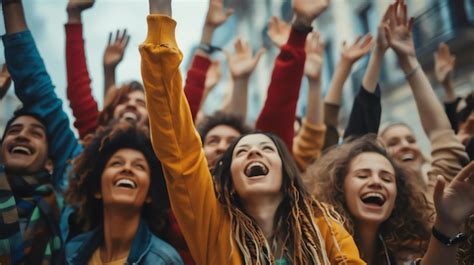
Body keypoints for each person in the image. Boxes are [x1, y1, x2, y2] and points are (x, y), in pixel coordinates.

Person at [140, 0, 365, 263]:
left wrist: (300, 30)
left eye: (266, 149)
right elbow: (176, 140)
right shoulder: (212, 226)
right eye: (241, 152)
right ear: (229, 181)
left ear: (287, 171)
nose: (253, 153)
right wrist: (160, 12)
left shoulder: (324, 228)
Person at [308, 135, 474, 265]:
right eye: (363, 175)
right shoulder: (316, 248)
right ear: (339, 189)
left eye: (387, 179)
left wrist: (447, 222)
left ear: (397, 200)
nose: (376, 182)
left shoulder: (407, 252)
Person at [0, 0, 82, 263]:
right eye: (13, 131)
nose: (22, 135)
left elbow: (38, 88)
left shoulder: (66, 204)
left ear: (50, 163)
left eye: (36, 133)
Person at [65, 123, 183, 264]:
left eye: (139, 166)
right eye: (117, 163)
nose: (127, 168)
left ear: (149, 195)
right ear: (97, 190)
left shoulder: (164, 261)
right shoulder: (72, 251)